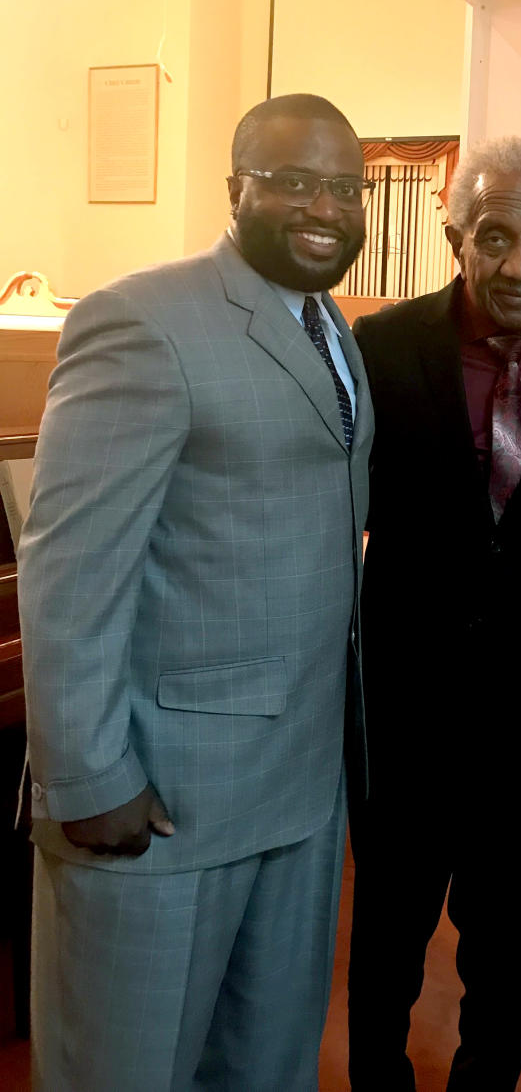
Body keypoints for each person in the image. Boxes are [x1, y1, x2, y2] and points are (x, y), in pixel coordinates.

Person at [19, 93, 372, 1091]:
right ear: (235, 190)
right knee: (126, 1069)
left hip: (299, 789)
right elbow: (71, 566)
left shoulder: (332, 330)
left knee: (264, 1065)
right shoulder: (142, 320)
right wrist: (88, 777)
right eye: (293, 180)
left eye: (344, 187)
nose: (326, 207)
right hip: (164, 799)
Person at [347, 136, 521, 1091]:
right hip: (400, 698)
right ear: (454, 233)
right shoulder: (380, 349)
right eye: (497, 237)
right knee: (388, 928)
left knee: (506, 936)